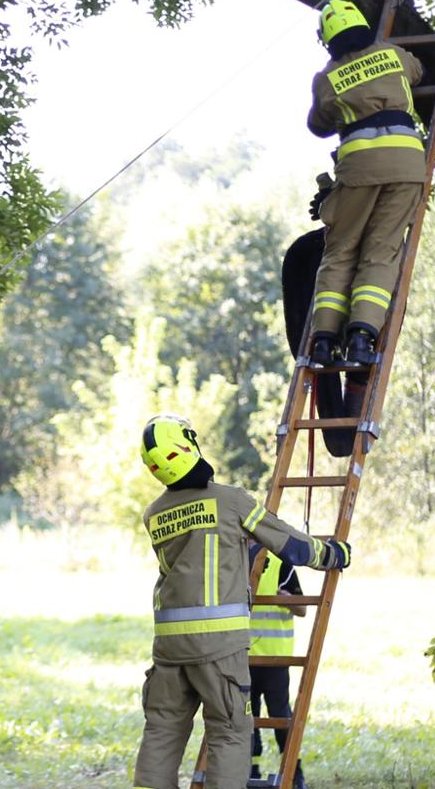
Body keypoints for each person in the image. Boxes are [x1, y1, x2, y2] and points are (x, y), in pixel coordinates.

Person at [132, 414, 352, 789]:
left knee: (161, 733)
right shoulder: (229, 500)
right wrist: (333, 554)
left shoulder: (155, 514)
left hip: (168, 647)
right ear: (188, 446)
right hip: (219, 647)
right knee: (230, 733)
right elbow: (291, 546)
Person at [305, 0, 426, 368]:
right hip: (407, 165)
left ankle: (323, 341)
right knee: (382, 251)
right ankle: (362, 337)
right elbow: (418, 72)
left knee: (340, 251)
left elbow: (318, 125)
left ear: (328, 40)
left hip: (359, 169)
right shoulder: (393, 54)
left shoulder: (326, 79)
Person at [284, 174, 369, 458]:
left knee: (325, 362)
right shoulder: (366, 247)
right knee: (363, 348)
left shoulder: (300, 250)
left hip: (317, 347)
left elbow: (299, 340)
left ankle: (343, 436)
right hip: (346, 336)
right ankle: (347, 432)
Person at [246, 546, 304, 787]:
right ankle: (251, 771)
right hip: (243, 658)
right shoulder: (234, 559)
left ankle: (294, 774)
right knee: (247, 720)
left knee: (281, 717)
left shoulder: (281, 564)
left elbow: (302, 609)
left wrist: (288, 600)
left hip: (275, 659)